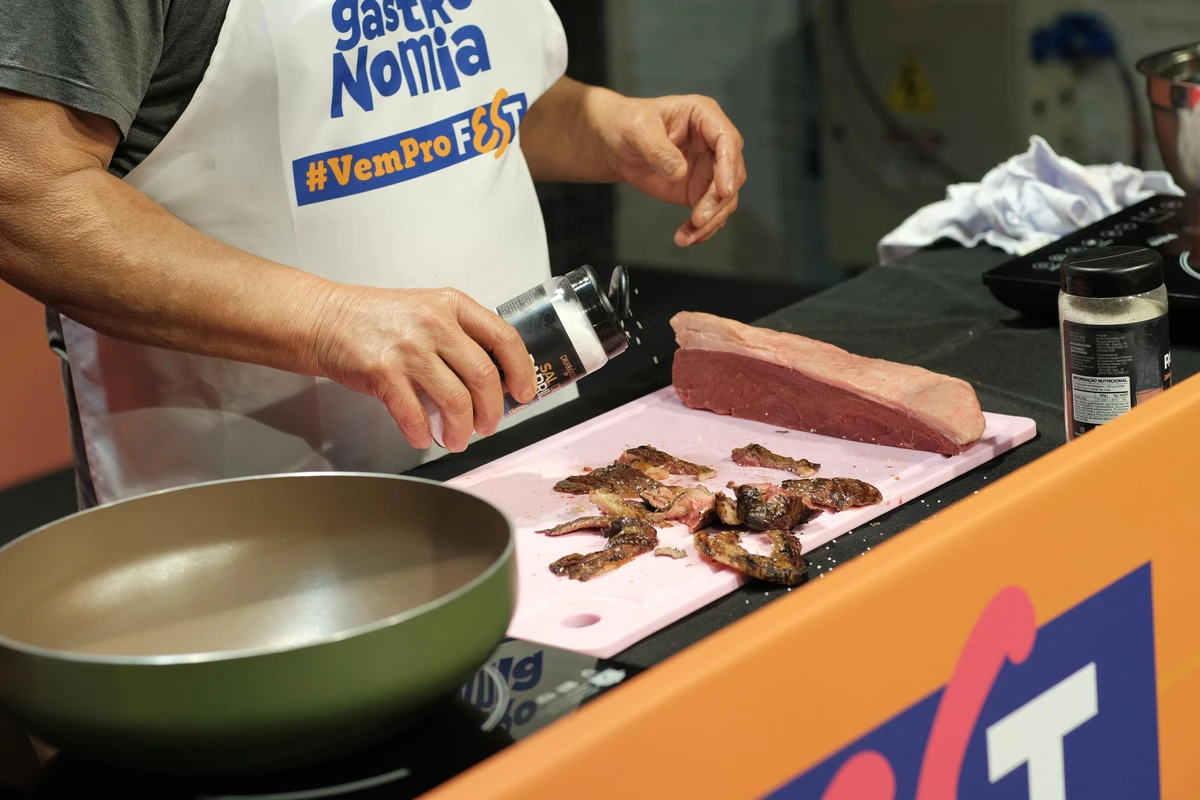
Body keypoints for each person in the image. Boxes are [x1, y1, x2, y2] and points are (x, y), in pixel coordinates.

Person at [0, 0, 746, 510]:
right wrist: (328, 320)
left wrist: (607, 125)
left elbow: (464, 101)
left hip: (522, 456)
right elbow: (23, 190)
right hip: (252, 505)